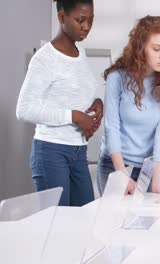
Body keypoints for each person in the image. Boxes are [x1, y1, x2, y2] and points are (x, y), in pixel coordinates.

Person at [16, 0, 101, 206]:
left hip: (78, 151)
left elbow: (74, 94)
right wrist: (75, 116)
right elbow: (24, 109)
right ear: (61, 17)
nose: (86, 26)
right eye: (80, 20)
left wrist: (98, 103)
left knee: (83, 221)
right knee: (56, 226)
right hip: (51, 152)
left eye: (90, 20)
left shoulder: (81, 54)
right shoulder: (44, 58)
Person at [97, 16, 160, 194]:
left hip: (150, 168)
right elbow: (111, 127)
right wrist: (122, 174)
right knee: (115, 220)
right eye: (156, 49)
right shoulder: (118, 77)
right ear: (141, 48)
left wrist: (157, 185)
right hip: (115, 164)